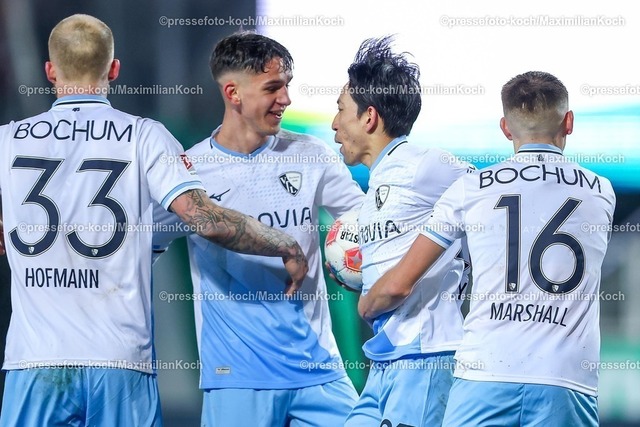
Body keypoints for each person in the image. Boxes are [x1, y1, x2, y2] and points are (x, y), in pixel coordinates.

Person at [0, 15, 308, 427]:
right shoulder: (144, 135)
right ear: (114, 69)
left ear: (50, 71)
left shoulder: (8, 139)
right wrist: (283, 242)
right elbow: (206, 220)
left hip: (34, 362)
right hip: (120, 362)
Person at [362, 71, 616, 427]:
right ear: (569, 122)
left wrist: (366, 304)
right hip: (566, 379)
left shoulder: (471, 188)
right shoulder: (601, 191)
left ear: (506, 128)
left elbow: (399, 283)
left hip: (484, 374)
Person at [152, 32, 363, 426]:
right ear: (233, 93)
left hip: (319, 369)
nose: (286, 99)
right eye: (272, 88)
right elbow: (136, 245)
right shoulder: (189, 175)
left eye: (287, 86)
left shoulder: (311, 155)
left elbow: (367, 225)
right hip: (237, 378)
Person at [331, 36, 473, 426]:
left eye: (340, 109)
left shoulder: (424, 164)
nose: (334, 124)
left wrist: (369, 301)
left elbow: (489, 193)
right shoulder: (375, 186)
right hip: (386, 360)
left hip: (426, 356)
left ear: (369, 117)